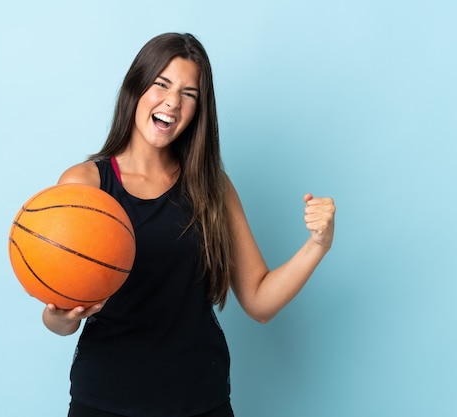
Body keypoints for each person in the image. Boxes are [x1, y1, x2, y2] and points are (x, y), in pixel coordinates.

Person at [42, 32, 336, 417]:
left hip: (200, 399)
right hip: (106, 400)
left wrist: (318, 244)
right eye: (161, 84)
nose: (172, 102)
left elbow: (260, 302)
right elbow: (61, 318)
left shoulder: (212, 186)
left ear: (199, 109)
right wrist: (59, 316)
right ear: (136, 87)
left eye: (189, 94)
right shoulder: (85, 185)